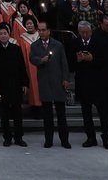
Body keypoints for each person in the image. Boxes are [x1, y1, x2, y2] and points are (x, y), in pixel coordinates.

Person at [72, 20, 108, 149]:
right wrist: (77, 60)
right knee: (86, 114)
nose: (85, 34)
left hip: (98, 83)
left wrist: (92, 59)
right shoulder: (75, 43)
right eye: (82, 32)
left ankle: (106, 138)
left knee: (103, 113)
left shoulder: (100, 42)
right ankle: (91, 137)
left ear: (91, 31)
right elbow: (70, 63)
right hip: (83, 84)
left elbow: (106, 61)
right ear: (79, 32)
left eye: (87, 32)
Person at [30, 20, 71, 148]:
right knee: (47, 116)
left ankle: (64, 140)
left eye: (43, 30)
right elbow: (32, 59)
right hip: (44, 82)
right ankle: (49, 140)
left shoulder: (57, 45)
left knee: (61, 115)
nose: (41, 32)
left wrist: (65, 79)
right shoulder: (35, 45)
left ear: (48, 31)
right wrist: (40, 60)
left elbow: (64, 63)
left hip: (57, 82)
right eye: (39, 30)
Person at [0, 23, 28, 146]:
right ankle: (7, 137)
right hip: (0, 86)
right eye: (0, 33)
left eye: (5, 33)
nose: (3, 35)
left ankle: (18, 137)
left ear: (9, 34)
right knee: (4, 113)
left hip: (15, 85)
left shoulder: (16, 48)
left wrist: (25, 83)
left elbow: (22, 67)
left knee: (17, 113)